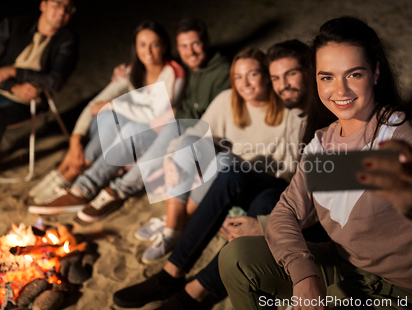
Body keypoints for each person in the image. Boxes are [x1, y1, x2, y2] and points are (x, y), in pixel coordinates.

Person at [218, 17, 412, 310]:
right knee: (238, 257)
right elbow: (287, 211)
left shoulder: (399, 136)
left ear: (375, 72)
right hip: (347, 267)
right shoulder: (325, 143)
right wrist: (303, 273)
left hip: (406, 291)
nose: (340, 90)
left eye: (354, 74)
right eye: (327, 77)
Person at [112, 41, 314, 310]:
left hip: (283, 187)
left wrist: (264, 223)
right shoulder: (236, 101)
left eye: (290, 74)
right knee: (228, 169)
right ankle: (171, 272)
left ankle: (196, 292)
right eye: (278, 77)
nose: (282, 83)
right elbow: (196, 133)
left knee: (261, 202)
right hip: (252, 178)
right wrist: (173, 158)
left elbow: (301, 177)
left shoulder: (299, 111)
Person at [28, 18, 230, 222]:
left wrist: (117, 104)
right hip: (162, 124)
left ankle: (113, 188)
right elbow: (95, 105)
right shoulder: (141, 70)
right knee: (113, 118)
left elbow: (191, 115)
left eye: (195, 44)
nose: (190, 51)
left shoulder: (188, 71)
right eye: (184, 46)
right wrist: (76, 138)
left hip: (185, 131)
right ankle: (80, 183)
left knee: (129, 124)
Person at [138, 47, 300, 264]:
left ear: (267, 76)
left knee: (226, 161)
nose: (245, 84)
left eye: (252, 74)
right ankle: (172, 229)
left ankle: (176, 223)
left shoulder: (287, 111)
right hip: (222, 179)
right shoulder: (228, 99)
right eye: (238, 77)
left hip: (252, 184)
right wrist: (169, 159)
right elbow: (193, 133)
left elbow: (287, 172)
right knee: (189, 143)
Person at [28, 20, 185, 204]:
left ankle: (73, 172)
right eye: (142, 45)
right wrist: (75, 139)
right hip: (120, 131)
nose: (148, 51)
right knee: (108, 116)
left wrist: (113, 104)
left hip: (148, 134)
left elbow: (154, 116)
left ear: (165, 46)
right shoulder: (130, 71)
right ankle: (65, 169)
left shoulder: (174, 73)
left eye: (154, 45)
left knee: (117, 116)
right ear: (135, 47)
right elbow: (94, 104)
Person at [0, 0, 78, 187]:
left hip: (24, 102)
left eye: (68, 8)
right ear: (43, 5)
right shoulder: (12, 26)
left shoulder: (67, 41)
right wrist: (12, 85)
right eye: (57, 4)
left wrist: (13, 71)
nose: (62, 10)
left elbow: (55, 81)